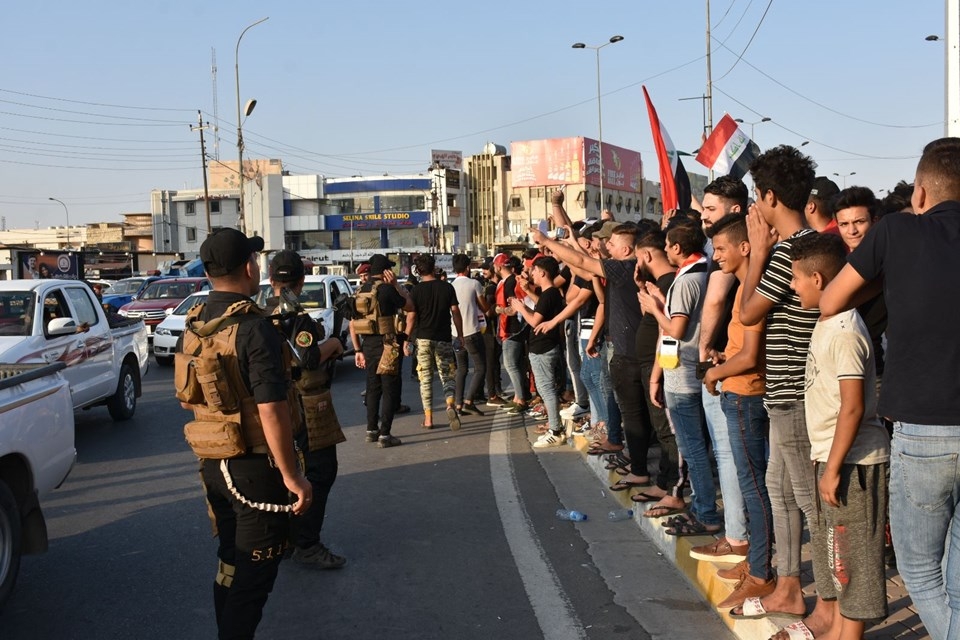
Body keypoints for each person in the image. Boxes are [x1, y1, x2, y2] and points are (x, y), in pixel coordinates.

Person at [821, 137, 960, 640]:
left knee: (920, 569)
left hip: (924, 431)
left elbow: (831, 300)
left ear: (920, 192)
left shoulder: (899, 231)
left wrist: (893, 276)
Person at [176, 227, 311, 639]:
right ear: (249, 268)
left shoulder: (197, 323)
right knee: (253, 581)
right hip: (254, 470)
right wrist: (292, 477)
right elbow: (272, 409)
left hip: (213, 464)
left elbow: (187, 399)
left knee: (230, 566)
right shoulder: (254, 328)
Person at [732, 145, 828, 632]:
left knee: (806, 499)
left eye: (756, 196)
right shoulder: (811, 242)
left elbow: (748, 311)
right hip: (788, 392)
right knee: (780, 488)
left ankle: (829, 600)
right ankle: (788, 584)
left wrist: (759, 254)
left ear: (769, 197)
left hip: (795, 391)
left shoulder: (788, 250)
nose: (755, 207)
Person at [789, 232, 891, 640]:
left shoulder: (847, 330)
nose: (792, 287)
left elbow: (853, 406)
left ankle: (850, 635)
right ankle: (837, 630)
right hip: (833, 458)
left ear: (817, 279)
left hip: (854, 463)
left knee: (855, 558)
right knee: (837, 554)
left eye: (795, 279)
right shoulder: (827, 321)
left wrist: (832, 468)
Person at [701, 213, 774, 609]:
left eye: (722, 248)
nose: (717, 256)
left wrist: (715, 371)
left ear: (746, 247)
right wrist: (721, 358)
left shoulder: (754, 285)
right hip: (736, 391)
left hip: (745, 396)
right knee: (752, 485)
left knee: (754, 487)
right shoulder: (746, 285)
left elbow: (750, 356)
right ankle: (754, 562)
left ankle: (761, 571)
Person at [268, 250, 347, 570]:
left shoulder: (262, 312)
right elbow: (306, 359)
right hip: (305, 402)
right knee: (320, 470)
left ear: (271, 279)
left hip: (273, 403)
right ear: (301, 280)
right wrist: (333, 345)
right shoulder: (295, 315)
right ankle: (307, 543)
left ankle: (287, 539)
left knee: (285, 471)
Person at [639, 220, 718, 537]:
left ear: (675, 248)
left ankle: (704, 510)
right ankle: (701, 506)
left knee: (692, 449)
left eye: (668, 245)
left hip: (683, 376)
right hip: (682, 371)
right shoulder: (702, 273)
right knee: (696, 448)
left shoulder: (687, 282)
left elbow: (676, 329)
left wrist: (655, 309)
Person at [349, 253, 413, 448]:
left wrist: (357, 350)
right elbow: (409, 306)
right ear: (386, 271)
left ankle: (371, 430)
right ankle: (385, 434)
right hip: (388, 344)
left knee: (372, 387)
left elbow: (352, 324)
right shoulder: (387, 290)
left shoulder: (360, 291)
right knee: (389, 388)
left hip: (367, 344)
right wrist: (396, 285)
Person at [510, 255, 567, 448]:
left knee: (547, 390)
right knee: (546, 389)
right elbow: (541, 310)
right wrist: (526, 298)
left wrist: (520, 307)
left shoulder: (550, 293)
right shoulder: (549, 294)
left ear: (542, 272)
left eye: (534, 270)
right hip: (543, 347)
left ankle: (555, 430)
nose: (531, 274)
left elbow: (535, 321)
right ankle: (554, 427)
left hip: (543, 348)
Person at [403, 253, 464, 430]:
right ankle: (450, 403)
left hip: (423, 339)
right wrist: (460, 335)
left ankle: (428, 418)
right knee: (447, 374)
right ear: (433, 267)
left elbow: (412, 317)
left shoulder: (416, 291)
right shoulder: (447, 288)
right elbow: (455, 312)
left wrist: (407, 338)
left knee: (425, 379)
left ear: (418, 271)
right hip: (443, 337)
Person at [450, 253, 488, 416]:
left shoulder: (451, 285)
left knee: (462, 369)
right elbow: (484, 307)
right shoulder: (474, 284)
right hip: (472, 332)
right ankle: (469, 401)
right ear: (467, 268)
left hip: (455, 334)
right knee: (480, 367)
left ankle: (458, 404)